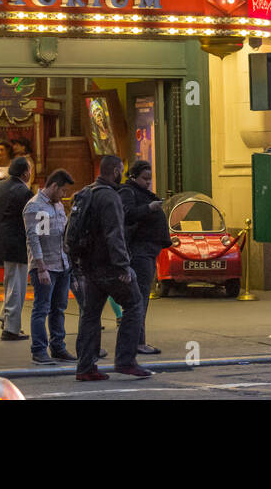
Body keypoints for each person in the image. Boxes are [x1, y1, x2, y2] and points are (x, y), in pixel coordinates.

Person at [71, 154, 150, 381]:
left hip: (88, 265)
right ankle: (126, 360)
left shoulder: (86, 192)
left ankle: (85, 366)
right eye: (120, 170)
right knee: (134, 304)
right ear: (115, 171)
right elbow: (114, 235)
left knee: (91, 314)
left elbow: (73, 230)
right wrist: (124, 266)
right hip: (109, 266)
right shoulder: (110, 198)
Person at [23, 169, 76, 364]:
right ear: (54, 186)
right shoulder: (35, 207)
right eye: (62, 190)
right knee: (42, 308)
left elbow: (61, 233)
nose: (64, 195)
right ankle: (39, 350)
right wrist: (41, 267)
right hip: (45, 266)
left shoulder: (58, 206)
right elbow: (34, 239)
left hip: (62, 263)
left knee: (59, 308)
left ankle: (58, 346)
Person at [119, 159, 171, 355]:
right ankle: (137, 342)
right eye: (144, 178)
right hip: (139, 252)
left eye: (150, 179)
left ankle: (137, 341)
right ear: (133, 176)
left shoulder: (138, 192)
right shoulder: (128, 192)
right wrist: (150, 208)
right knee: (138, 299)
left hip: (147, 251)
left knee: (140, 299)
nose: (148, 182)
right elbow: (128, 214)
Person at [0, 155, 32, 341]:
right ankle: (11, 328)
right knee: (16, 284)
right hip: (18, 243)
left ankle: (6, 316)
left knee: (10, 280)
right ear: (25, 173)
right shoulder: (23, 192)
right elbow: (29, 220)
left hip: (0, 240)